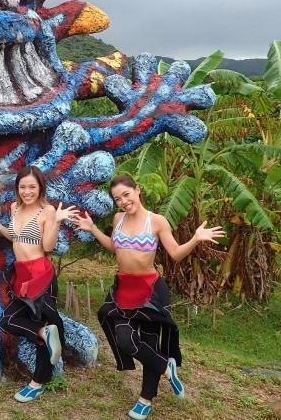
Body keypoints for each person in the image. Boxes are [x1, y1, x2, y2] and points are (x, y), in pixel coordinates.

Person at [71, 174, 225, 420]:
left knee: (151, 342)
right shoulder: (118, 219)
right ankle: (167, 367)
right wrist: (92, 229)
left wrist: (195, 239)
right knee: (125, 339)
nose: (123, 201)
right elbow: (115, 247)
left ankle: (145, 399)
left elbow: (175, 254)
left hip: (151, 291)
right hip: (123, 288)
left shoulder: (157, 221)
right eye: (117, 198)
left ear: (137, 190)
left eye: (126, 194)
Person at [0, 165, 77, 403]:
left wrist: (57, 221)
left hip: (40, 274)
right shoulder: (15, 208)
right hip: (21, 275)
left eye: (32, 186)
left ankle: (37, 382)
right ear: (17, 188)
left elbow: (48, 246)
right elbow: (16, 236)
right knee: (9, 320)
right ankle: (43, 333)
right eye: (23, 187)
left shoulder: (47, 210)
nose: (27, 191)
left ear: (40, 187)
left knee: (41, 322)